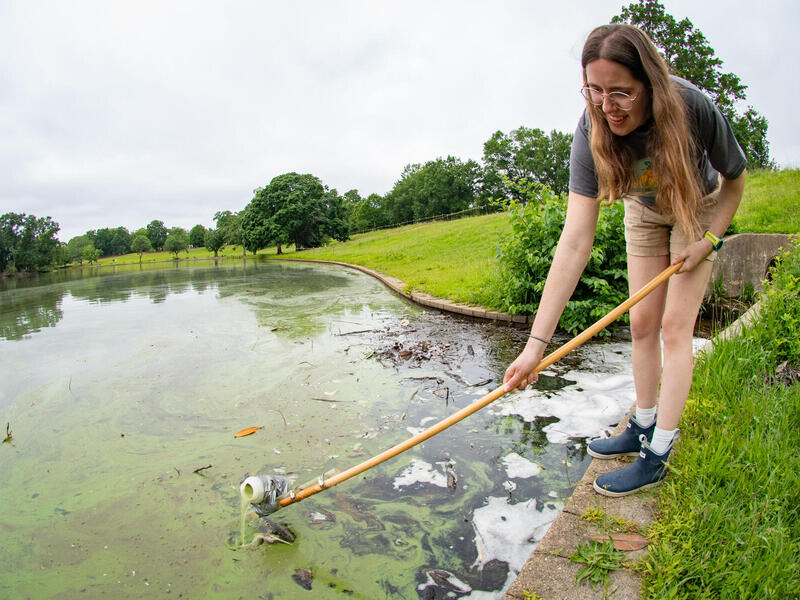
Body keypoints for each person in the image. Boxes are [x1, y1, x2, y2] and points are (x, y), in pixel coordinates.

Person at [502, 23, 747, 497]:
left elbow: (735, 181)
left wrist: (711, 242)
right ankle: (643, 424)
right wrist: (536, 345)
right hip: (644, 211)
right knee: (641, 325)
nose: (606, 106)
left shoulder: (693, 107)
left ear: (649, 85)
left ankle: (658, 454)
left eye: (621, 93)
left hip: (694, 205)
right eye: (594, 90)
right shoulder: (590, 125)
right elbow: (574, 241)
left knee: (676, 328)